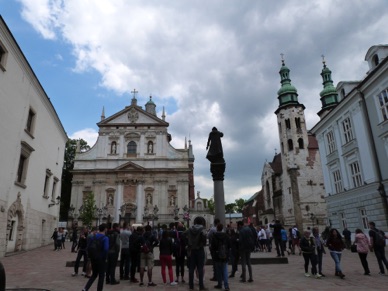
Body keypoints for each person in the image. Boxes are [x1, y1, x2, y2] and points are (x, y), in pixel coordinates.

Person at [82, 223, 109, 291]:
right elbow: (106, 249)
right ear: (105, 229)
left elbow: (88, 246)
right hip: (101, 259)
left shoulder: (93, 236)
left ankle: (85, 288)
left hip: (93, 258)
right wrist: (104, 256)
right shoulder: (105, 238)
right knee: (101, 276)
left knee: (94, 274)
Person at [186, 216, 208, 291]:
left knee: (191, 268)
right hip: (200, 249)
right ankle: (201, 286)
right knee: (200, 268)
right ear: (201, 222)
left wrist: (189, 242)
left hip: (192, 250)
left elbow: (183, 235)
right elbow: (204, 238)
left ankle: (191, 285)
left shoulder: (190, 229)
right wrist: (202, 243)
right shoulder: (202, 229)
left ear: (195, 222)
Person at [210, 223, 230, 291]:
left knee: (218, 270)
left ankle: (219, 284)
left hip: (217, 255)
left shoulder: (214, 236)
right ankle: (226, 286)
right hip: (225, 255)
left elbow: (212, 247)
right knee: (225, 270)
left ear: (217, 228)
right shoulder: (226, 236)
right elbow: (229, 245)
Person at [238, 218, 255, 283]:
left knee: (243, 263)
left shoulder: (241, 231)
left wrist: (238, 241)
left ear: (239, 225)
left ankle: (244, 278)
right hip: (249, 247)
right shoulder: (249, 229)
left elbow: (240, 240)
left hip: (243, 248)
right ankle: (251, 277)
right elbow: (252, 237)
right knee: (249, 262)